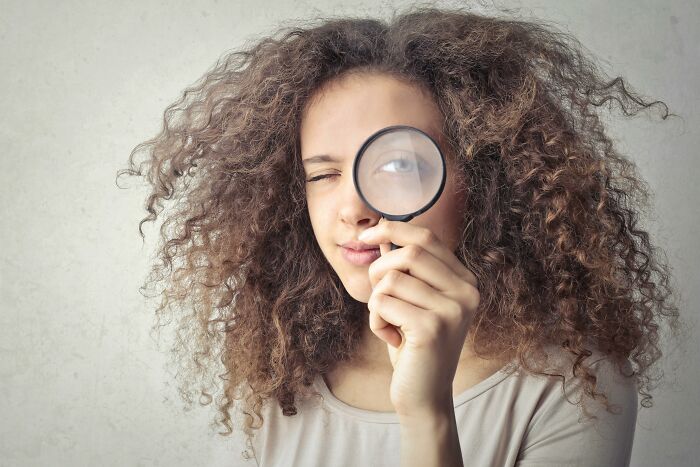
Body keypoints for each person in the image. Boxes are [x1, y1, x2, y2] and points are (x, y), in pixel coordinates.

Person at [117, 5, 685, 467]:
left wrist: (427, 411)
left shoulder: (575, 389)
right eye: (322, 175)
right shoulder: (282, 378)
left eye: (398, 166)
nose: (355, 208)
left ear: (483, 181)